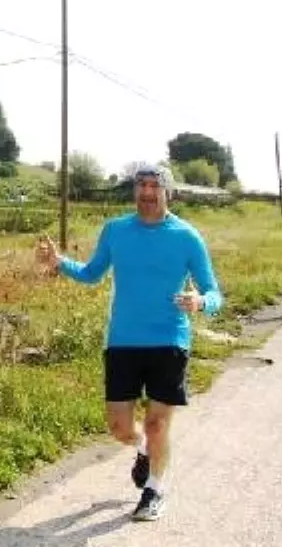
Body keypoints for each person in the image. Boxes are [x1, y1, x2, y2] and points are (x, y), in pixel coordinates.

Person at [35, 162, 224, 521]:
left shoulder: (186, 237)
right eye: (142, 186)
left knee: (157, 424)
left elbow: (215, 293)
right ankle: (142, 449)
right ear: (134, 191)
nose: (148, 193)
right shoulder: (116, 230)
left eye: (155, 186)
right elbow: (92, 274)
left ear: (168, 192)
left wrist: (201, 302)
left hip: (169, 340)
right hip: (123, 340)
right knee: (120, 427)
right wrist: (59, 262)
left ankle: (155, 489)